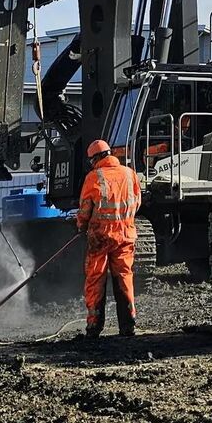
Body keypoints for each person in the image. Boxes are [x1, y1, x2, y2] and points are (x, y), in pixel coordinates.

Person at [77, 138, 141, 339]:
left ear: (95, 158)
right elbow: (137, 202)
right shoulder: (130, 174)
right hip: (125, 235)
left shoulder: (93, 177)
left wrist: (81, 226)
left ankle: (94, 326)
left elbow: (85, 207)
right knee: (124, 277)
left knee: (96, 278)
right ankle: (128, 325)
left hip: (101, 237)